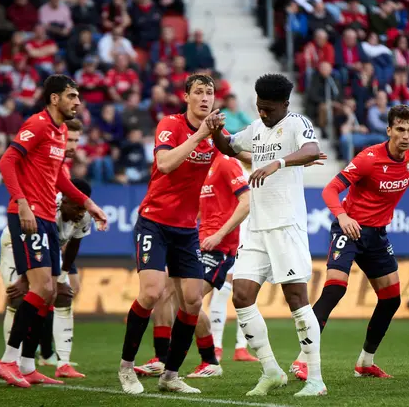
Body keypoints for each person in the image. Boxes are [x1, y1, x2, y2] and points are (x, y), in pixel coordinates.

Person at [290, 104, 409, 381]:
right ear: (389, 130)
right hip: (350, 230)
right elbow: (330, 190)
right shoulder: (368, 158)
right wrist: (344, 217)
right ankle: (303, 359)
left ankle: (365, 362)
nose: (405, 136)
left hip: (377, 236)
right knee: (335, 290)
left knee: (391, 299)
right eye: (400, 130)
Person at [210, 73, 326, 397]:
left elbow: (313, 150)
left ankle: (315, 380)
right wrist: (216, 130)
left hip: (286, 225)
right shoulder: (256, 128)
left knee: (296, 300)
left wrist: (277, 163)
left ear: (285, 105)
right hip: (258, 229)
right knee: (242, 295)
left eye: (270, 109)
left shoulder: (296, 123)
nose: (264, 114)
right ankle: (271, 370)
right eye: (260, 107)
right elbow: (230, 146)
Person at [0, 75, 108, 388]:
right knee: (41, 289)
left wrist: (89, 203)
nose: (78, 102)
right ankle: (7, 361)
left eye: (78, 96)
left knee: (51, 291)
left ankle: (28, 365)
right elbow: (7, 161)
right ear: (54, 98)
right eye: (72, 96)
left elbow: (60, 180)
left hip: (45, 218)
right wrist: (23, 202)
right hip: (28, 216)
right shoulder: (39, 124)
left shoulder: (59, 132)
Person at [117, 74, 227, 395]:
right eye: (199, 92)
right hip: (154, 221)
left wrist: (282, 160)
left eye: (209, 93)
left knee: (192, 301)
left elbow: (237, 151)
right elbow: (164, 163)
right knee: (151, 293)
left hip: (186, 230)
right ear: (186, 97)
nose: (205, 97)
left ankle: (170, 375)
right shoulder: (170, 124)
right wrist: (201, 135)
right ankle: (126, 368)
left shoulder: (215, 133)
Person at [133, 154, 251, 378]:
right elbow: (199, 208)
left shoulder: (226, 163)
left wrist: (219, 235)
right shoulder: (201, 166)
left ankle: (208, 360)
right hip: (197, 241)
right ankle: (162, 359)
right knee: (169, 294)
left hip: (219, 246)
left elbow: (247, 201)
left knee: (189, 300)